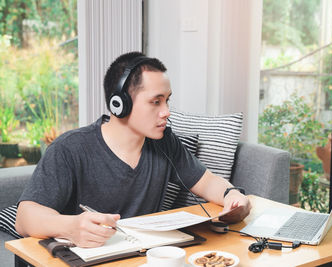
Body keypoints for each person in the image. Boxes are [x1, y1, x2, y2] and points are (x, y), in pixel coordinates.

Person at [15, 51, 251, 248]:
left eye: (167, 100)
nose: (166, 111)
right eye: (156, 101)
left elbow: (208, 182)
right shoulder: (69, 148)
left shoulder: (164, 142)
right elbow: (25, 218)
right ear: (119, 104)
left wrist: (234, 197)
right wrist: (71, 227)